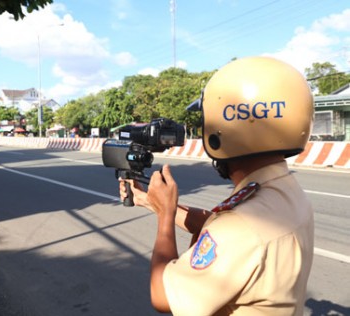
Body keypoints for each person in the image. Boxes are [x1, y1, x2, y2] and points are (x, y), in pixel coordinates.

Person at [119, 56, 314, 315]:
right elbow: (217, 225)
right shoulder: (284, 191)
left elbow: (162, 294)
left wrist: (165, 217)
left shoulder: (243, 226)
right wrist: (152, 202)